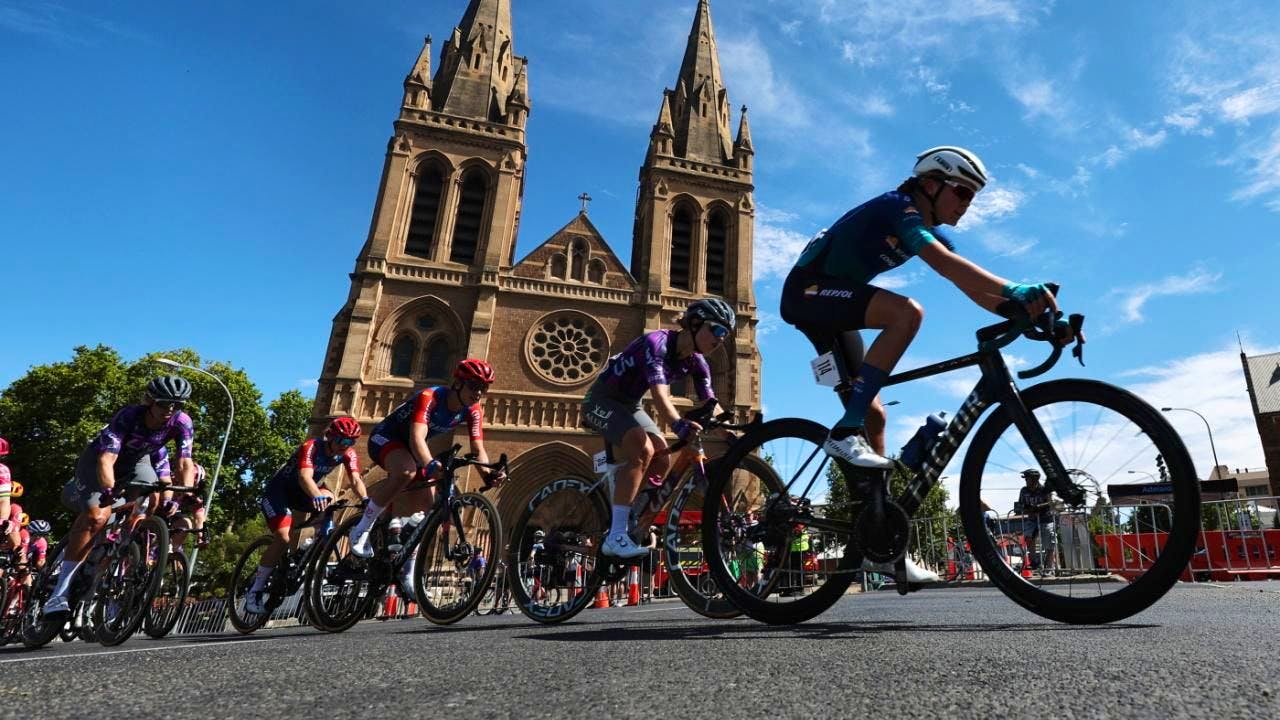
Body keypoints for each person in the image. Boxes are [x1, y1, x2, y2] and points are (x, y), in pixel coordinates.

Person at [779, 146, 1083, 583]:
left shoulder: (925, 224)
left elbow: (978, 291)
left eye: (972, 197)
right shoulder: (898, 207)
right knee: (907, 313)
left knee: (876, 415)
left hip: (835, 300)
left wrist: (1041, 314)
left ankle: (879, 540)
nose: (965, 205)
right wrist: (1018, 288)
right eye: (961, 192)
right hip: (806, 294)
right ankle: (844, 432)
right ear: (930, 184)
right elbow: (945, 266)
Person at [581, 297, 733, 560]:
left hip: (630, 404)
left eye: (726, 334)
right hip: (600, 400)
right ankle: (616, 536)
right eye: (717, 330)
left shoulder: (698, 362)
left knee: (662, 455)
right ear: (695, 324)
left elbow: (711, 405)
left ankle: (633, 517)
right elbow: (661, 396)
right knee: (642, 449)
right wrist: (678, 424)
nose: (721, 339)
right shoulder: (657, 343)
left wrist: (732, 433)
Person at [345, 359, 505, 601]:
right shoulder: (430, 397)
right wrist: (430, 463)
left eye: (484, 388)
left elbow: (477, 447)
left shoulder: (473, 410)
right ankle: (362, 528)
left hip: (411, 450)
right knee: (406, 472)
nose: (479, 392)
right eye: (474, 385)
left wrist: (488, 472)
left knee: (427, 509)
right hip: (386, 439)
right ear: (458, 383)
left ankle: (407, 573)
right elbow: (418, 437)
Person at [45, 376, 196, 617]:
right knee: (97, 515)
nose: (170, 410)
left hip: (137, 461)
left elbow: (185, 461)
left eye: (176, 405)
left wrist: (183, 493)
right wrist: (108, 491)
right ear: (150, 401)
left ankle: (124, 540)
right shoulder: (129, 416)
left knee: (154, 493)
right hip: (99, 461)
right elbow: (107, 460)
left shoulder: (182, 422)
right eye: (164, 403)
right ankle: (58, 593)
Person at [244, 417, 368, 614]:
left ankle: (307, 546)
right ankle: (255, 589)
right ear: (330, 437)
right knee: (284, 537)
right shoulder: (311, 446)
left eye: (350, 442)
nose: (346, 446)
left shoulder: (348, 454)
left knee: (331, 499)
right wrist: (316, 495)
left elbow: (355, 479)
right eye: (342, 441)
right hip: (281, 493)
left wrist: (366, 499)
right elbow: (304, 477)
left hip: (306, 494)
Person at [1017, 469, 1057, 576]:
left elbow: (1050, 502)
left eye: (1027, 478)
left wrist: (1039, 507)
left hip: (1046, 519)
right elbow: (1020, 504)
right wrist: (1025, 509)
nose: (1026, 481)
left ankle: (1049, 568)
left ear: (1035, 479)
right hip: (1032, 519)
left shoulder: (1044, 489)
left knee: (1049, 543)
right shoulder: (1024, 490)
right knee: (1028, 537)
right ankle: (1035, 562)